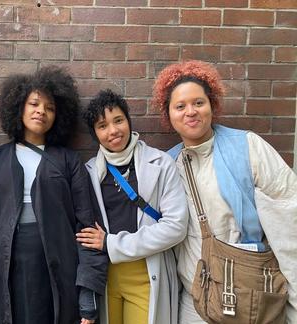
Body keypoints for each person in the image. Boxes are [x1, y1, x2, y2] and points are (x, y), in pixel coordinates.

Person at [0, 66, 108, 324]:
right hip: (3, 270)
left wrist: (88, 296)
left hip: (58, 270)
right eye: (34, 103)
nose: (41, 111)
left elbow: (87, 228)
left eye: (50, 108)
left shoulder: (68, 161)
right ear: (18, 107)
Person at [152, 60, 297, 323]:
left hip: (250, 297)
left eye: (198, 103)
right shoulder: (167, 165)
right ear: (168, 114)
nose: (190, 112)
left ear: (212, 105)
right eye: (180, 106)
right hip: (195, 303)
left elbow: (289, 222)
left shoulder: (247, 147)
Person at [76, 89, 188, 324]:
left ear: (128, 121)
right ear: (95, 134)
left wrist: (112, 243)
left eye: (118, 120)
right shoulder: (88, 172)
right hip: (107, 278)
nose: (113, 130)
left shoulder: (161, 163)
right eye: (102, 125)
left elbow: (176, 227)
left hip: (147, 273)